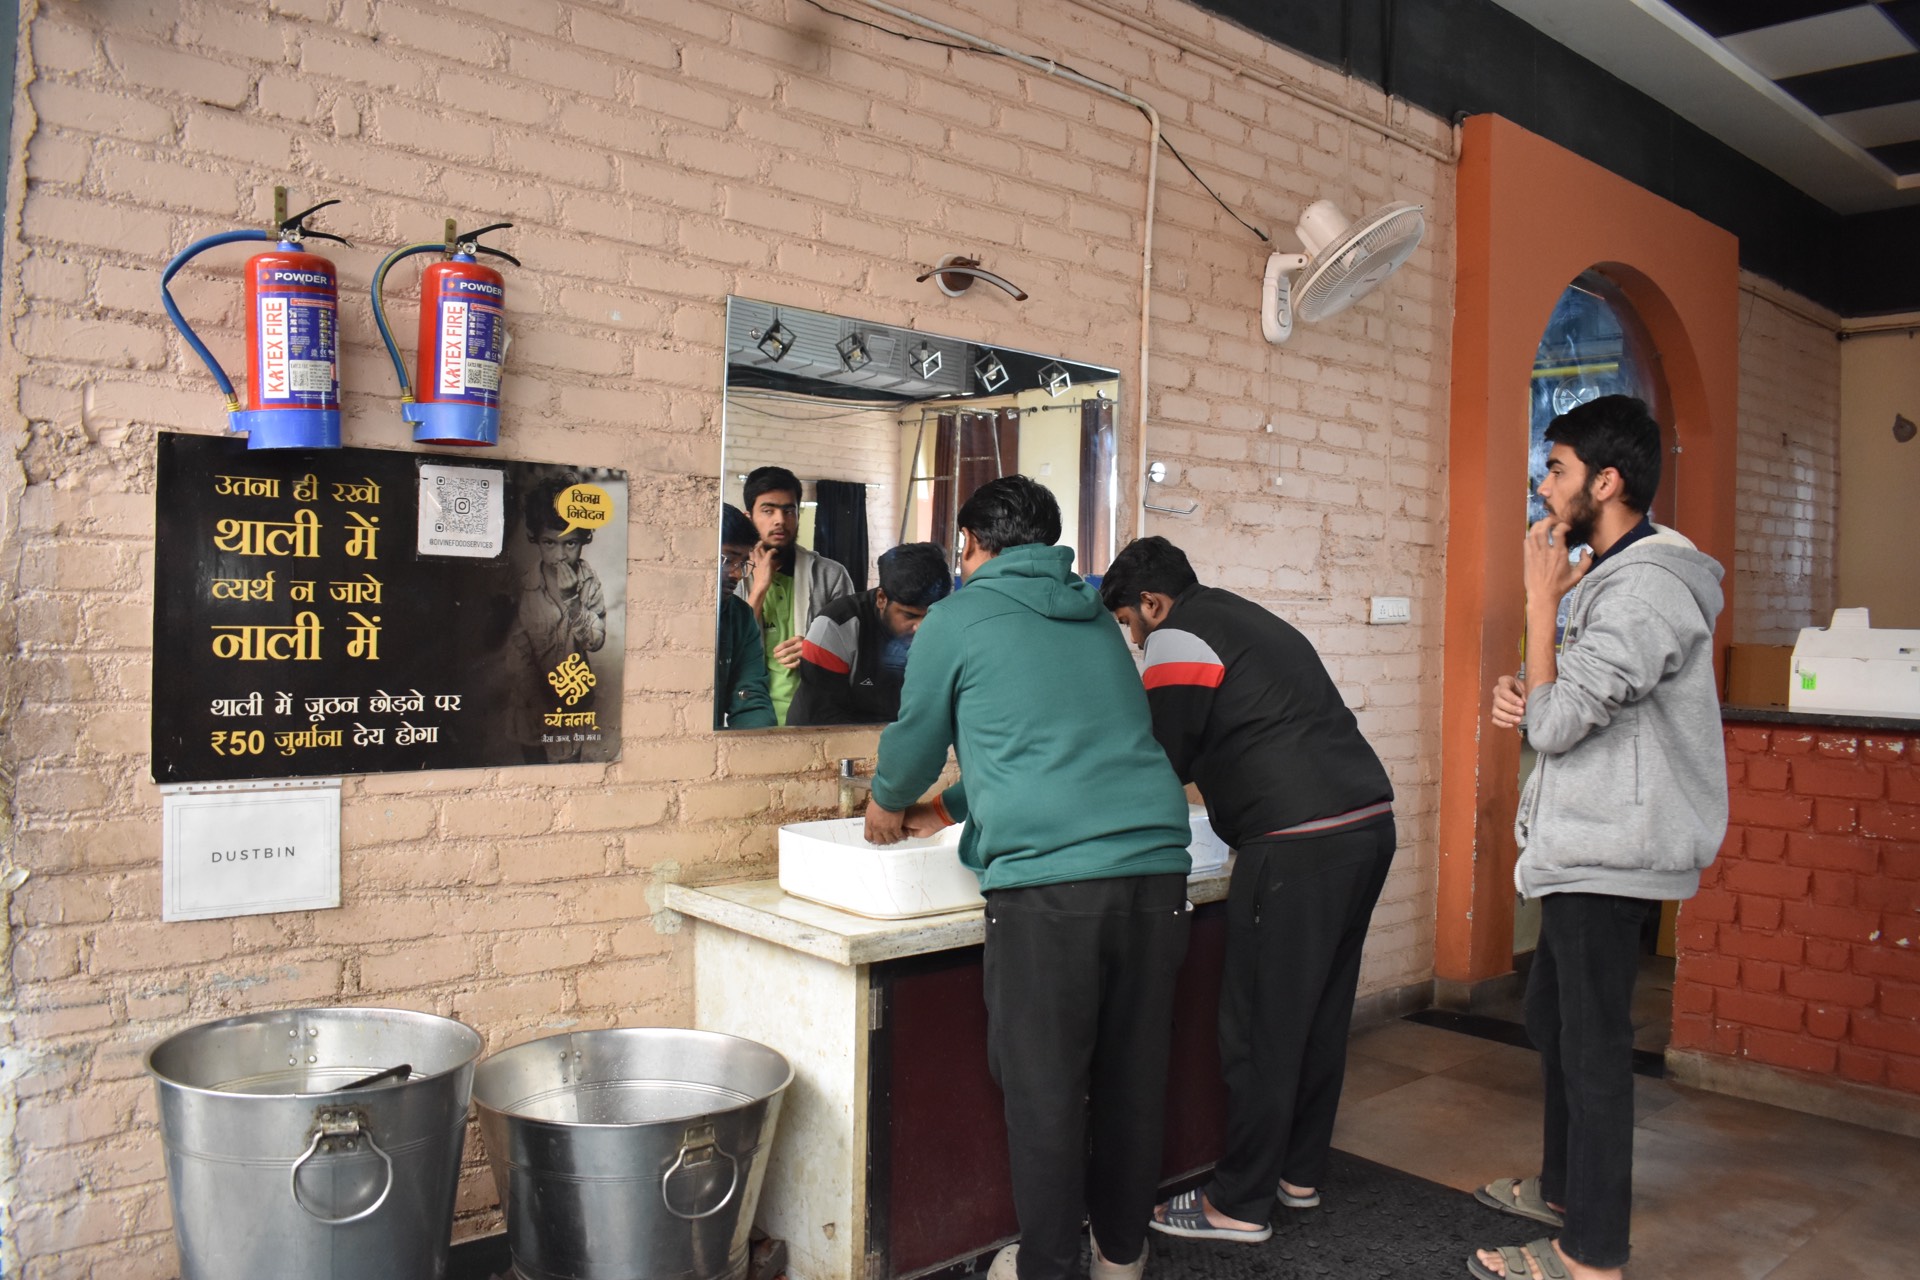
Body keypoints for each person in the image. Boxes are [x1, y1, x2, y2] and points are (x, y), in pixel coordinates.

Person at [863, 476, 1193, 1280]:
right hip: (1154, 870)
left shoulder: (957, 619)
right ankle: (1121, 1254)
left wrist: (885, 804)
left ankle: (1047, 1264)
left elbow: (915, 737)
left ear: (970, 547)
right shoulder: (1094, 623)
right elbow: (1055, 739)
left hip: (1051, 887)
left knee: (1045, 1089)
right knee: (1132, 1074)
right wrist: (946, 811)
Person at [1474, 395, 1727, 1280]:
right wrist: (1523, 683)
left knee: (1591, 1046)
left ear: (1607, 482)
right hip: (1582, 838)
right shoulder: (1612, 575)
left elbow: (1560, 722)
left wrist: (1541, 606)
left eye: (1557, 469)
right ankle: (1561, 1189)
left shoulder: (1651, 584)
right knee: (1553, 1017)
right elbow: (1551, 701)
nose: (1544, 486)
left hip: (1613, 844)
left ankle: (1590, 1255)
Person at [1097, 537, 1396, 1244]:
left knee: (1261, 1026)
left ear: (1150, 603)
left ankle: (1239, 1203)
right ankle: (1299, 1175)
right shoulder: (1242, 616)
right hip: (1367, 825)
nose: (1135, 643)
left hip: (1296, 843)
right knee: (1318, 1016)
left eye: (1128, 626)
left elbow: (1157, 759)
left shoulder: (1177, 635)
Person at [733, 465, 855, 724]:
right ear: (748, 517)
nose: (780, 520)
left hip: (816, 719)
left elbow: (854, 652)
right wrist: (760, 587)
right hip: (748, 720)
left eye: (788, 510)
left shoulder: (831, 575)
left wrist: (816, 649)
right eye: (768, 510)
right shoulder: (729, 577)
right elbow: (730, 649)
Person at [788, 541, 951, 726]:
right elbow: (822, 718)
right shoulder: (834, 626)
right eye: (910, 615)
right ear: (882, 599)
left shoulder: (950, 625)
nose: (921, 627)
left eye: (930, 615)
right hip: (822, 739)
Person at [506, 476, 608, 763]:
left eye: (571, 543)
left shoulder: (588, 581)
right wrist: (537, 698)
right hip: (531, 696)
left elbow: (596, 640)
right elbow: (516, 651)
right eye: (549, 543)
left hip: (573, 694)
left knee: (569, 763)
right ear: (535, 539)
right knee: (534, 762)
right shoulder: (524, 585)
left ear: (584, 540)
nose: (560, 555)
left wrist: (573, 601)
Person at [715, 503, 776, 730]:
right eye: (727, 559)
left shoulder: (741, 617)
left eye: (742, 563)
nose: (737, 574)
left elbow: (750, 698)